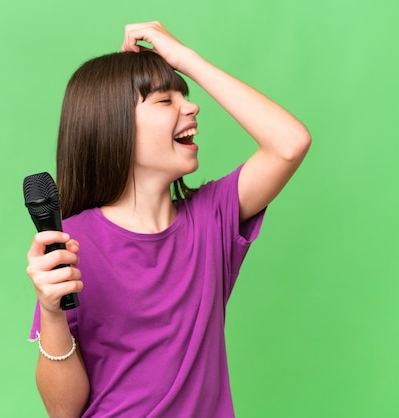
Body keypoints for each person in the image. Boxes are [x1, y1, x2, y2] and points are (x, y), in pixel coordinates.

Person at [25, 21, 311, 418]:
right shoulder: (72, 242)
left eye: (185, 95)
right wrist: (52, 313)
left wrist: (186, 60)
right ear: (114, 126)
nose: (190, 107)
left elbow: (289, 143)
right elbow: (63, 411)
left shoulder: (213, 217)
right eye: (165, 101)